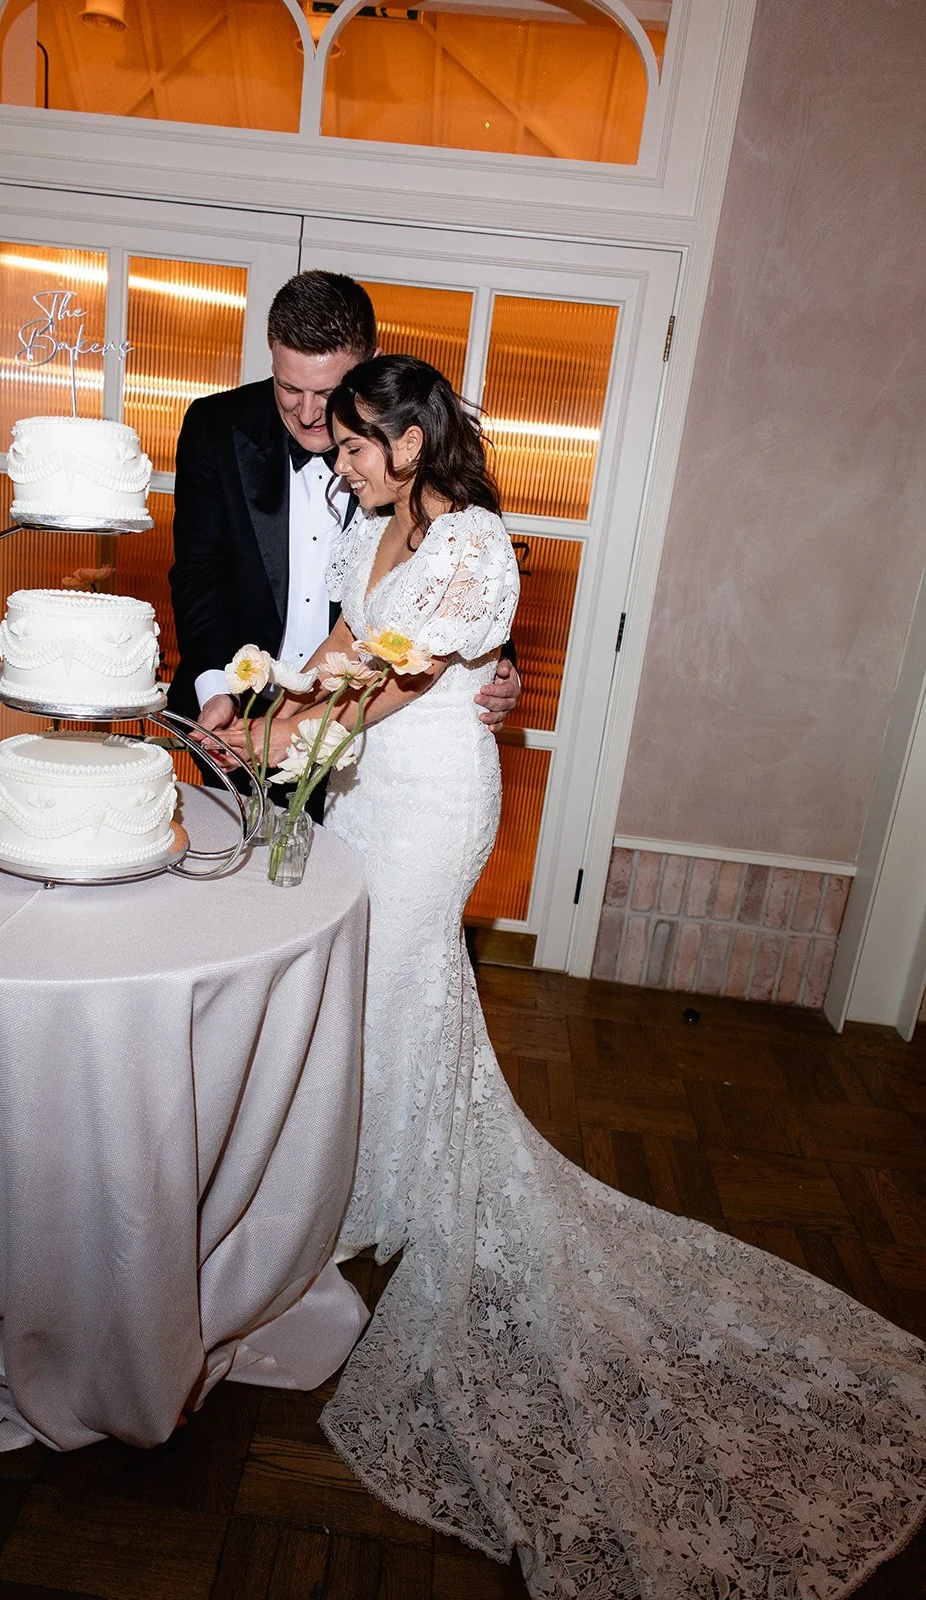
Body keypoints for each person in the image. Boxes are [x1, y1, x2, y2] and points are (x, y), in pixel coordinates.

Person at [224, 354, 926, 1600]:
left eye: (350, 443)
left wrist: (283, 736)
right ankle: (376, 1169)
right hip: (363, 792)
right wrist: (273, 698)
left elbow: (401, 680)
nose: (335, 462)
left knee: (395, 977)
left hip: (431, 799)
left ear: (406, 436)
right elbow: (345, 646)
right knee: (369, 991)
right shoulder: (374, 528)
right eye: (332, 445)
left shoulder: (477, 542)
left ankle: (367, 1187)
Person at [167, 270, 519, 744]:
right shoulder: (214, 427)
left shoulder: (400, 456)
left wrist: (494, 665)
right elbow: (199, 572)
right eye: (289, 388)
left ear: (370, 366)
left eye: (328, 393)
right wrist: (223, 695)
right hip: (236, 711)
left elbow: (455, 582)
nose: (309, 413)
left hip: (365, 728)